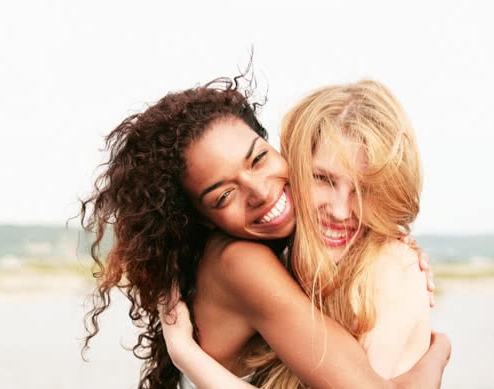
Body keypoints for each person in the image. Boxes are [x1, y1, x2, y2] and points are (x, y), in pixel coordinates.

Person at [80, 75, 449, 389]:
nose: (261, 191)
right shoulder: (240, 261)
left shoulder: (297, 258)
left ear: (276, 149)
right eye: (224, 195)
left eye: (258, 159)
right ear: (203, 217)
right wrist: (439, 354)